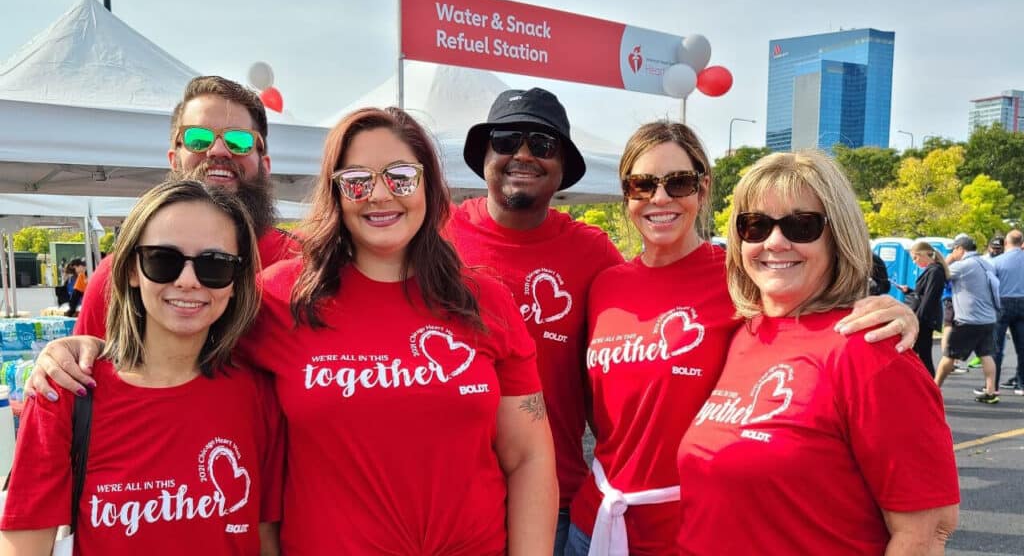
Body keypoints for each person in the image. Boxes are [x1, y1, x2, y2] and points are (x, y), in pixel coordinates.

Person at [30, 107, 558, 554]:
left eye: (401, 176)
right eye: (357, 180)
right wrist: (86, 345)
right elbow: (175, 331)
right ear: (335, 190)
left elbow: (528, 456)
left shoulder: (483, 300)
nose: (380, 195)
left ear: (428, 183)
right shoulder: (281, 297)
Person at [563, 126, 921, 556]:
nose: (660, 198)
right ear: (626, 194)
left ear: (703, 187)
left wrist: (892, 311)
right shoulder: (606, 285)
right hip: (596, 520)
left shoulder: (742, 280)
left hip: (689, 530)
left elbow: (806, 315)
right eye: (642, 184)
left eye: (678, 182)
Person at [677, 151, 959, 555]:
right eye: (755, 225)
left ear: (837, 235)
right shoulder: (742, 333)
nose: (774, 241)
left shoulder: (870, 351)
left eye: (801, 225)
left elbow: (929, 530)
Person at [0, 181, 283, 554]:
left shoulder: (257, 395)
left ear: (235, 282)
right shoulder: (67, 393)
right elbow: (24, 547)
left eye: (214, 265)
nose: (187, 280)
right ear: (132, 270)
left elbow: (264, 541)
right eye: (162, 260)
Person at [447, 87, 623, 553]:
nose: (523, 154)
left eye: (543, 145)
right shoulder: (436, 238)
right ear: (484, 155)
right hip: (451, 503)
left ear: (562, 166)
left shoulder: (594, 253)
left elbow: (660, 306)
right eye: (506, 140)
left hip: (555, 500)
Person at [66, 76, 299, 358]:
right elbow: (87, 370)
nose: (217, 151)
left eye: (239, 141)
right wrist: (65, 354)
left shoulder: (309, 265)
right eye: (197, 139)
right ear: (174, 160)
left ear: (265, 166)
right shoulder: (128, 272)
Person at [934, 235, 1001, 403]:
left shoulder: (963, 266)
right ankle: (991, 391)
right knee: (986, 354)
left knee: (949, 355)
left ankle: (934, 390)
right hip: (988, 318)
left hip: (969, 320)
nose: (952, 252)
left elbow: (942, 273)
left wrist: (947, 260)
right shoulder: (986, 262)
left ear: (960, 249)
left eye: (953, 250)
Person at [897, 242, 949, 375]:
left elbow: (929, 298)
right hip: (925, 317)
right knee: (920, 354)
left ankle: (930, 386)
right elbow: (924, 295)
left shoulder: (935, 271)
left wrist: (917, 320)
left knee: (923, 355)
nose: (914, 262)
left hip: (925, 319)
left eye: (915, 258)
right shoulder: (933, 270)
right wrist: (909, 291)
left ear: (923, 255)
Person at [991, 229, 1024, 395]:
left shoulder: (997, 261)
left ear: (1006, 243)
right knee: (1022, 346)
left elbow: (990, 285)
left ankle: (993, 386)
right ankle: (1021, 383)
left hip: (1002, 303)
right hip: (1023, 303)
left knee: (996, 347)